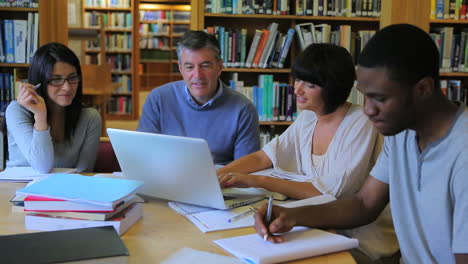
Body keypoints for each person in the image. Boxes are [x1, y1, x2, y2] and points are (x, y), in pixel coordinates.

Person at [254, 24, 468, 264]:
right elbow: (365, 203)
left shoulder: (462, 153)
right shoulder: (401, 133)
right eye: (365, 96)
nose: (367, 109)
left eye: (380, 98)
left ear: (423, 89)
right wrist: (292, 215)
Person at [218, 43, 398, 262]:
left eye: (310, 84)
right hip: (318, 227)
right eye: (298, 79)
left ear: (332, 87)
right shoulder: (308, 117)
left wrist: (258, 180)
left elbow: (331, 194)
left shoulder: (361, 122)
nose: (297, 90)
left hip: (360, 240)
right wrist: (217, 178)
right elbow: (262, 157)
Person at [138, 30, 260, 165]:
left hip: (220, 183)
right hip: (166, 181)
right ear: (180, 68)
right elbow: (143, 156)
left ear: (219, 67)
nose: (197, 75)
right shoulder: (158, 99)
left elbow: (245, 170)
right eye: (189, 67)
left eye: (205, 66)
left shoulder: (243, 109)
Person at [6, 42, 102, 173]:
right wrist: (40, 116)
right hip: (17, 189)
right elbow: (42, 166)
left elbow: (85, 172)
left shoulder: (90, 117)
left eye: (72, 78)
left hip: (67, 190)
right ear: (39, 82)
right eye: (56, 80)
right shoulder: (16, 111)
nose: (67, 87)